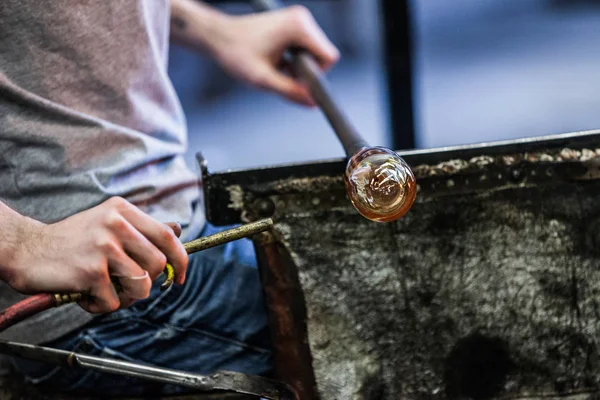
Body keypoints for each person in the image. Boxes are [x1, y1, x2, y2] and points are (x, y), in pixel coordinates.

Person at [0, 0, 339, 396]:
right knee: (376, 330)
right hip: (92, 298)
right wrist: (21, 242)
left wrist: (213, 28)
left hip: (170, 220)